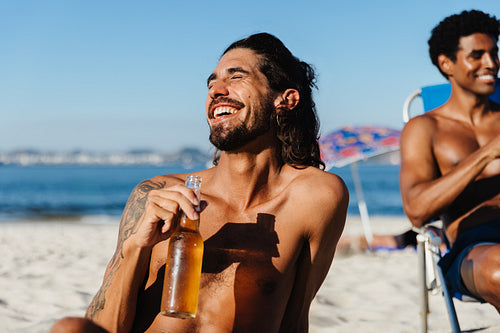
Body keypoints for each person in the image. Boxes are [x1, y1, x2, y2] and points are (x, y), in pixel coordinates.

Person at [51, 32, 349, 332]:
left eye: (236, 77)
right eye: (211, 83)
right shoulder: (158, 194)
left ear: (285, 100)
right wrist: (136, 246)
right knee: (70, 328)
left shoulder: (316, 197)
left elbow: (295, 318)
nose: (216, 90)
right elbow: (103, 327)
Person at [399, 10, 500, 311]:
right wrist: (486, 154)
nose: (491, 64)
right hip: (475, 247)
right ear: (447, 64)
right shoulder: (425, 129)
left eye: (495, 53)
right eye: (477, 55)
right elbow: (416, 211)